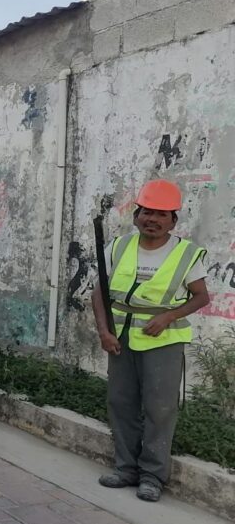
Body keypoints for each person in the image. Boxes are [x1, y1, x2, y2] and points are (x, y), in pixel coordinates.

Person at [92, 179, 210, 502]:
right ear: (136, 216)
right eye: (147, 212)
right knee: (121, 403)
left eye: (161, 214)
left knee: (159, 408)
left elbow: (201, 297)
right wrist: (104, 332)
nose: (152, 219)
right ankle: (126, 468)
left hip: (164, 341)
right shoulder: (119, 247)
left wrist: (168, 316)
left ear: (173, 221)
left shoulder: (186, 254)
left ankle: (152, 476)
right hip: (121, 337)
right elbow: (99, 293)